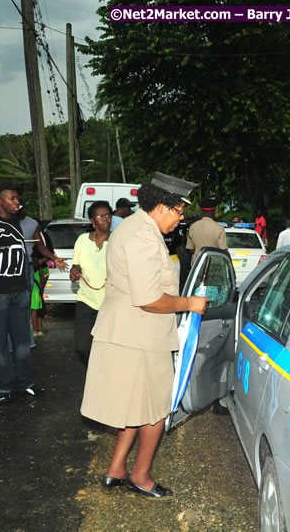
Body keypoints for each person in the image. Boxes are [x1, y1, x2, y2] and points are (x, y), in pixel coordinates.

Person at [80, 174, 208, 499]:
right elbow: (150, 299)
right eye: (178, 210)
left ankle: (117, 468)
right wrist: (190, 303)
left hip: (130, 334)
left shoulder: (136, 229)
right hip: (140, 337)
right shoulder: (142, 237)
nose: (181, 217)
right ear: (162, 207)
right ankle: (141, 475)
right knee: (154, 410)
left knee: (134, 406)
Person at [0, 182, 66, 404]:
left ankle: (25, 382)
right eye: (12, 198)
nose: (17, 202)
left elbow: (36, 246)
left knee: (22, 341)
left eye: (17, 198)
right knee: (0, 343)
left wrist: (53, 258)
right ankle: (5, 386)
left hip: (20, 292)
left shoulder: (15, 222)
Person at [70, 200, 112, 364]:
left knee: (108, 346)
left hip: (111, 302)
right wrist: (74, 271)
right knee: (82, 346)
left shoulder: (117, 241)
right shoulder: (82, 240)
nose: (105, 219)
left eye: (108, 215)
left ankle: (106, 379)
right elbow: (76, 265)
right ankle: (96, 372)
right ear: (92, 220)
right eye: (100, 216)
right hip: (86, 301)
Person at [187, 197, 228, 264]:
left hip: (197, 263)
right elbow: (223, 250)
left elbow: (191, 249)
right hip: (214, 263)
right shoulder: (219, 228)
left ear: (201, 211)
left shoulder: (193, 227)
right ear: (213, 211)